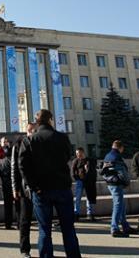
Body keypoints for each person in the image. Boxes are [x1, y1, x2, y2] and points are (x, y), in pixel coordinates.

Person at [19, 109, 81, 258]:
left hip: (41, 191)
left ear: (37, 122)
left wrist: (33, 186)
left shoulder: (29, 140)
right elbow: (68, 156)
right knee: (68, 229)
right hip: (62, 188)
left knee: (44, 230)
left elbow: (23, 166)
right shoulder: (62, 137)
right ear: (50, 120)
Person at [102, 140, 139, 238]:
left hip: (110, 182)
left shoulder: (108, 155)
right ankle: (114, 228)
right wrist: (126, 182)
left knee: (121, 204)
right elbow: (122, 172)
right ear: (121, 148)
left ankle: (125, 226)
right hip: (116, 183)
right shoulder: (117, 157)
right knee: (118, 205)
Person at [11, 122, 36, 258]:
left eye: (34, 130)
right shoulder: (19, 144)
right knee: (24, 219)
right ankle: (24, 249)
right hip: (24, 188)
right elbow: (14, 168)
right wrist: (15, 188)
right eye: (29, 130)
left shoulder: (40, 143)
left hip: (38, 187)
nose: (31, 132)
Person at [71, 147, 97, 222]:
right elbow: (73, 171)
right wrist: (76, 178)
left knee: (89, 197)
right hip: (80, 181)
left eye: (78, 153)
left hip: (88, 181)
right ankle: (76, 214)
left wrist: (87, 168)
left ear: (82, 152)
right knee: (78, 198)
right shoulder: (75, 161)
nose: (77, 155)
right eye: (76, 153)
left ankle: (89, 214)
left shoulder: (89, 160)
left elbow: (92, 169)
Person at [0, 136, 15, 229]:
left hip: (7, 180)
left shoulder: (8, 153)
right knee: (9, 203)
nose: (6, 143)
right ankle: (10, 223)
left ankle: (9, 223)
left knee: (9, 203)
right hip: (7, 180)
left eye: (7, 141)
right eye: (4, 142)